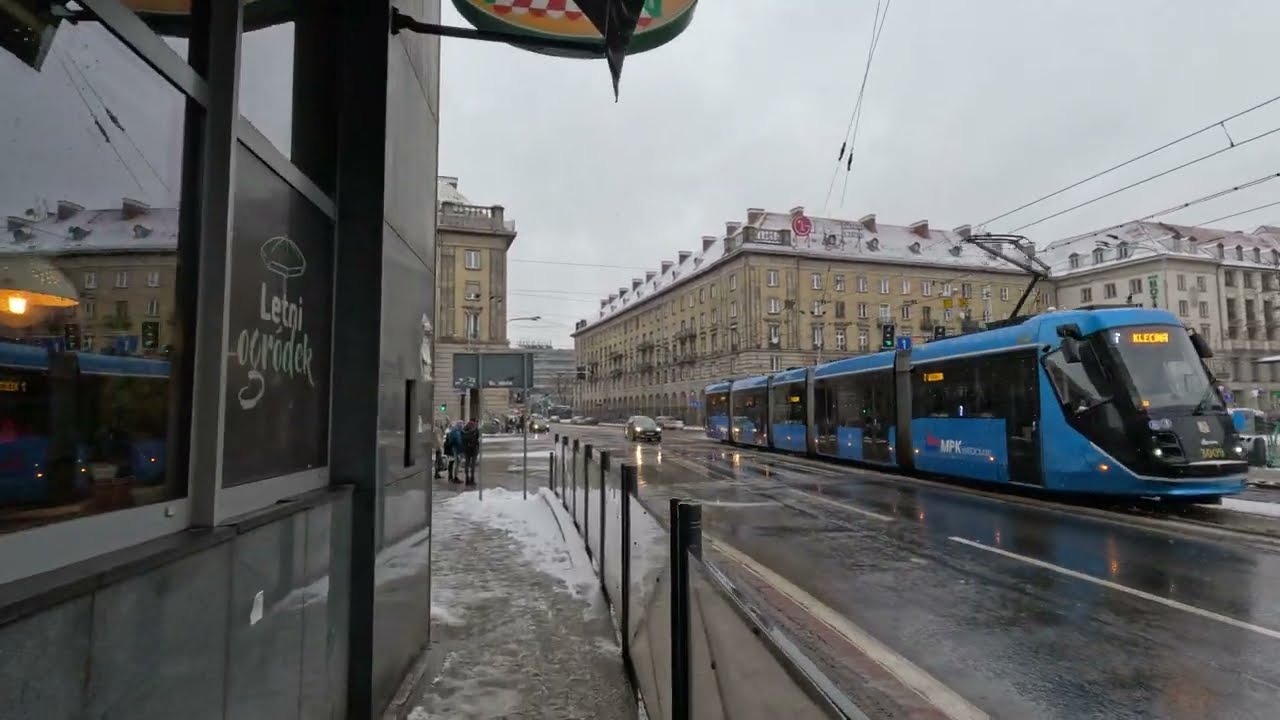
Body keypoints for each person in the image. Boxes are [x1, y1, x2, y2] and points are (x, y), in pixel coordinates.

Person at [461, 419, 481, 485]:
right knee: (473, 464)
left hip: (466, 449)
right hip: (474, 449)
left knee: (467, 463)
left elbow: (462, 439)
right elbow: (478, 438)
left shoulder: (464, 429)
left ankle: (467, 479)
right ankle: (472, 478)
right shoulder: (475, 429)